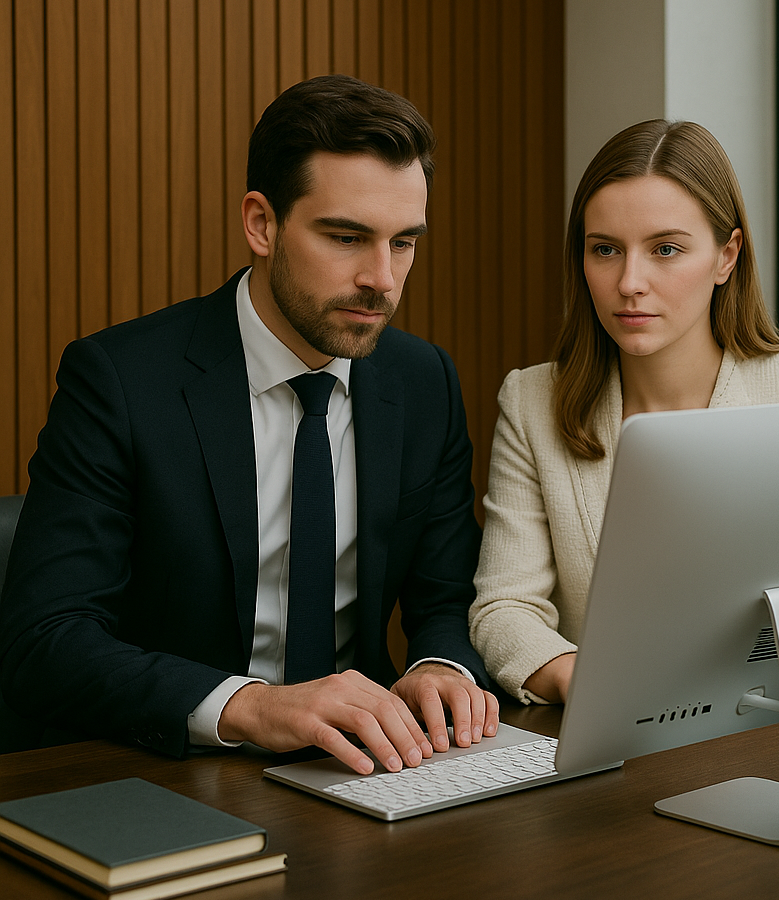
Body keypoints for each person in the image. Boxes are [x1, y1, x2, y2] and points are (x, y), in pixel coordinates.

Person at [0, 75, 499, 772]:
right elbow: (44, 640)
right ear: (262, 224)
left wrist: (440, 666)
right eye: (347, 237)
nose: (382, 279)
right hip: (170, 768)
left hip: (366, 767)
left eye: (403, 242)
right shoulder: (120, 381)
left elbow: (445, 597)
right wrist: (252, 707)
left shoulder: (424, 382)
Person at [469, 120, 779, 705]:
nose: (630, 282)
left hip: (772, 721)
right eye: (605, 250)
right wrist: (586, 682)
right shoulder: (531, 401)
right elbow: (504, 606)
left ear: (726, 256)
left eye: (666, 249)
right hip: (609, 733)